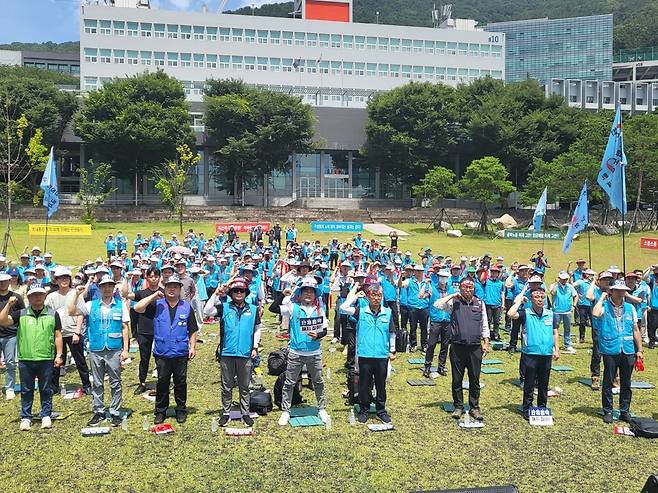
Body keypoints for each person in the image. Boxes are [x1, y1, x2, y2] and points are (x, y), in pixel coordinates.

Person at [134, 275, 198, 424]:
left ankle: (181, 409)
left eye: (175, 286)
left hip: (180, 351)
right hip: (162, 352)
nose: (172, 289)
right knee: (162, 382)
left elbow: (193, 329)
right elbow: (137, 308)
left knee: (180, 382)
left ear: (180, 289)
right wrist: (154, 295)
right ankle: (160, 411)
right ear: (165, 288)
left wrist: (193, 346)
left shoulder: (186, 307)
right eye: (169, 286)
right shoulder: (157, 305)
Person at [0, 285, 64, 431]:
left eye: (40, 294)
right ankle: (26, 417)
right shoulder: (21, 314)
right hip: (26, 358)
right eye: (34, 295)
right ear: (28, 298)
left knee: (46, 388)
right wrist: (9, 305)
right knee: (26, 389)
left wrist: (59, 355)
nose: (38, 297)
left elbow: (58, 335)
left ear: (45, 296)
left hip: (46, 358)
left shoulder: (53, 314)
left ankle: (46, 415)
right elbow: (2, 320)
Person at [69, 275, 130, 426]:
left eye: (110, 285)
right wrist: (76, 294)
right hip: (96, 348)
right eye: (104, 286)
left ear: (114, 287)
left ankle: (115, 411)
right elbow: (71, 311)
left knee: (116, 382)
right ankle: (99, 411)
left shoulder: (120, 305)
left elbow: (124, 327)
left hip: (114, 348)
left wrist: (126, 349)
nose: (107, 289)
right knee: (97, 382)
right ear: (100, 288)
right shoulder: (91, 305)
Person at [269, 276, 329, 426]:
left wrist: (318, 335)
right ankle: (286, 410)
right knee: (289, 382)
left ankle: (321, 408)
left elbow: (325, 330)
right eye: (305, 291)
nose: (308, 294)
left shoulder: (319, 309)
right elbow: (273, 308)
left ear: (315, 294)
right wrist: (283, 294)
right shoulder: (293, 307)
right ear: (300, 294)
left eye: (311, 291)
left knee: (318, 382)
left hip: (314, 353)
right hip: (296, 352)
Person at [204, 277, 261, 427]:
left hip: (245, 353)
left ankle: (245, 413)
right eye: (235, 290)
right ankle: (226, 412)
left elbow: (257, 329)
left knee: (244, 385)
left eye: (241, 290)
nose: (239, 293)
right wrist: (216, 294)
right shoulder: (224, 307)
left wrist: (254, 347)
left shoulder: (253, 309)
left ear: (246, 292)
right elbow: (207, 310)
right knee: (226, 385)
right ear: (231, 293)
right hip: (227, 353)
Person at [340, 277, 395, 424]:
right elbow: (342, 308)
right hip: (365, 354)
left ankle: (381, 410)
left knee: (381, 385)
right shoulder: (361, 311)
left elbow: (392, 332)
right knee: (364, 384)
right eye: (373, 295)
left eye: (379, 296)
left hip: (382, 355)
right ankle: (364, 410)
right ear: (368, 296)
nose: (376, 298)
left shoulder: (388, 312)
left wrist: (393, 350)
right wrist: (355, 296)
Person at [435, 278, 490, 421]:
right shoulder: (454, 303)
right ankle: (458, 406)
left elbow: (484, 323)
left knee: (474, 378)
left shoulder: (480, 303)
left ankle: (474, 407)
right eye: (465, 287)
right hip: (458, 346)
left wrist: (486, 341)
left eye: (470, 287)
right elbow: (437, 305)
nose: (468, 289)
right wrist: (452, 295)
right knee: (457, 378)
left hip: (475, 347)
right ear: (460, 288)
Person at [592, 280, 644, 424]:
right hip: (610, 349)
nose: (622, 293)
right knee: (608, 381)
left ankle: (624, 410)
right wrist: (602, 297)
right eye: (618, 290)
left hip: (627, 349)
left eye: (623, 290)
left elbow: (635, 330)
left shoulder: (630, 308)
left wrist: (639, 349)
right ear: (612, 291)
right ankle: (608, 410)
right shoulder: (604, 306)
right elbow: (595, 314)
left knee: (626, 382)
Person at [507, 283, 560, 420]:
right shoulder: (526, 313)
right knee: (529, 383)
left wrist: (557, 349)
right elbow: (510, 313)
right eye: (537, 297)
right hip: (530, 353)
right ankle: (527, 407)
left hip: (546, 353)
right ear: (531, 299)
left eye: (542, 297)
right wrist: (519, 301)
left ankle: (542, 406)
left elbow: (555, 332)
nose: (540, 299)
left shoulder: (550, 314)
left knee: (544, 383)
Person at [46, 267, 92, 396]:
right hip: (58, 334)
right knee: (56, 360)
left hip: (73, 332)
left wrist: (77, 332)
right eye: (61, 278)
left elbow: (81, 313)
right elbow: (47, 315)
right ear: (56, 280)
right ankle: (53, 386)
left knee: (80, 361)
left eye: (66, 278)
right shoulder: (51, 297)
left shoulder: (75, 293)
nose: (64, 281)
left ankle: (86, 385)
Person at [423, 269, 452, 377]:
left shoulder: (451, 289)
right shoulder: (432, 288)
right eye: (441, 277)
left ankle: (441, 367)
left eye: (445, 277)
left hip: (447, 320)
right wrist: (425, 284)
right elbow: (421, 296)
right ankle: (427, 366)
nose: (443, 279)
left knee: (445, 345)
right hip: (436, 320)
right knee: (431, 344)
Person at [0, 272, 24, 400]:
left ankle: (9, 387)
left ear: (10, 282)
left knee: (10, 363)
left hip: (11, 335)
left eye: (5, 281)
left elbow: (23, 315)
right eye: (1, 281)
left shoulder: (17, 297)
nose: (2, 283)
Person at [550, 271, 578, 354]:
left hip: (567, 311)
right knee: (555, 329)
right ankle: (553, 345)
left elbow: (576, 296)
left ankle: (567, 344)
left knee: (567, 329)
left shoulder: (570, 287)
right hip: (556, 311)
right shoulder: (554, 285)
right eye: (562, 279)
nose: (564, 280)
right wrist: (556, 283)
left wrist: (574, 305)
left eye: (566, 279)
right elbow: (552, 292)